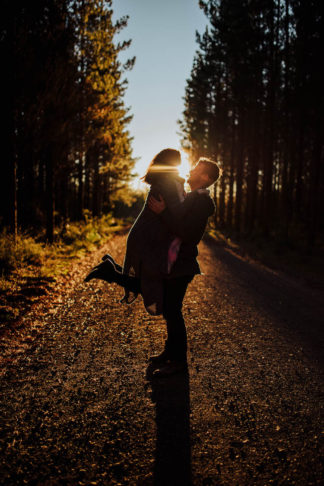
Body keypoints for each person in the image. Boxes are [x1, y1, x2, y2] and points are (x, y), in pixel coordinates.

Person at [85, 156, 221, 377]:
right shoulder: (192, 197)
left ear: (205, 177)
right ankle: (171, 353)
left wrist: (163, 212)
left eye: (197, 168)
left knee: (172, 310)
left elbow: (186, 233)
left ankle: (178, 360)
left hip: (182, 264)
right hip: (173, 262)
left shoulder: (203, 201)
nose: (192, 169)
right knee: (163, 302)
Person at [85, 148, 186, 315]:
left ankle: (110, 271)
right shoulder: (167, 183)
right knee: (150, 282)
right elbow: (178, 211)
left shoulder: (165, 182)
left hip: (144, 236)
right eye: (177, 162)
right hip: (147, 238)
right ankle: (110, 272)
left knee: (146, 280)